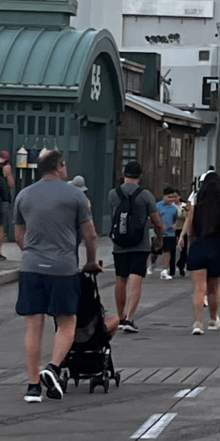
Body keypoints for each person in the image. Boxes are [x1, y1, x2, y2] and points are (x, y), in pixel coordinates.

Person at [14, 150, 101, 402]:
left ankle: (32, 387)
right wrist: (91, 262)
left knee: (33, 326)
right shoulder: (75, 195)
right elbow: (90, 234)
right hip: (63, 267)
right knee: (67, 321)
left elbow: (20, 235)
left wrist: (32, 253)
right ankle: (52, 367)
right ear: (60, 167)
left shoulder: (24, 195)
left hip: (31, 266)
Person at [108, 161, 162, 333]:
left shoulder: (113, 194)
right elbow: (156, 221)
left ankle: (120, 316)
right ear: (140, 176)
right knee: (136, 279)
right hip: (140, 243)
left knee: (120, 279)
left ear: (124, 174)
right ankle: (130, 318)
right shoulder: (145, 195)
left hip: (120, 242)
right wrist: (159, 239)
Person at [184, 171, 220, 334]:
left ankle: (198, 323)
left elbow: (190, 230)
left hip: (199, 246)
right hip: (215, 247)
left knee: (199, 288)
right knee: (213, 289)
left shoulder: (196, 207)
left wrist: (192, 244)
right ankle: (213, 319)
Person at [0, 150, 15, 260]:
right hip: (2, 199)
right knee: (0, 226)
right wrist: (8, 174)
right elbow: (11, 184)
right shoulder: (6, 168)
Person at [154, 186, 179, 279]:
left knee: (167, 251)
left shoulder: (174, 208)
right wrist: (159, 225)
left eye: (173, 197)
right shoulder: (157, 206)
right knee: (155, 251)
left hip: (170, 233)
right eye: (169, 197)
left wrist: (175, 224)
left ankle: (164, 270)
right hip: (159, 232)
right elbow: (154, 217)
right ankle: (152, 263)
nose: (171, 199)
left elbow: (176, 218)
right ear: (163, 196)